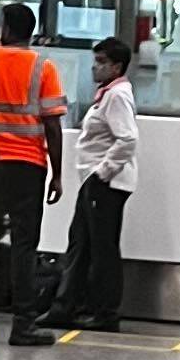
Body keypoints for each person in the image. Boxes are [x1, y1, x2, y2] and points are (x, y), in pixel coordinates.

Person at [0, 1, 65, 344]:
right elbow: (53, 124)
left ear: (6, 28)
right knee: (24, 242)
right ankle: (23, 324)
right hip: (27, 165)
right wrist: (58, 173)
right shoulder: (43, 67)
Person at [43, 36, 139, 334]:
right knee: (80, 244)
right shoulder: (107, 93)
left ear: (117, 66)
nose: (94, 68)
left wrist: (103, 174)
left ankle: (105, 312)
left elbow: (128, 139)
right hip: (94, 183)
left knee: (102, 249)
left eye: (101, 63)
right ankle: (65, 306)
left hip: (104, 185)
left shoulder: (117, 96)